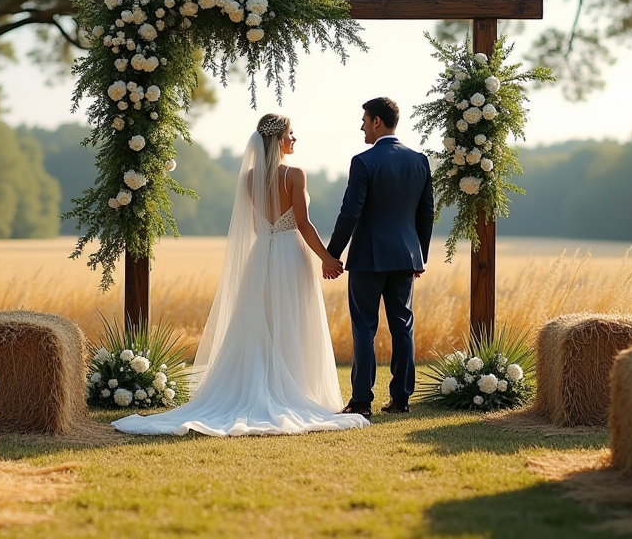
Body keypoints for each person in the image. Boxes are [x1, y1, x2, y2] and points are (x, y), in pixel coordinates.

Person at [112, 114, 369, 436]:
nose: (294, 139)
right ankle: (296, 388)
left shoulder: (249, 178)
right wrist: (328, 259)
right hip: (290, 254)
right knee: (292, 320)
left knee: (261, 321)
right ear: (277, 140)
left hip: (261, 255)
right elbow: (303, 224)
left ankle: (263, 383)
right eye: (290, 134)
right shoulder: (294, 174)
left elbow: (254, 226)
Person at [324, 97, 434, 417]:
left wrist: (332, 254)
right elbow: (426, 214)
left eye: (364, 119)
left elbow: (350, 213)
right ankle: (400, 399)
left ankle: (361, 401)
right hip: (406, 257)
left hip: (369, 258)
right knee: (402, 327)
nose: (361, 126)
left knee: (364, 328)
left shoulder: (363, 161)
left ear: (376, 122)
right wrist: (419, 257)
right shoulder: (419, 161)